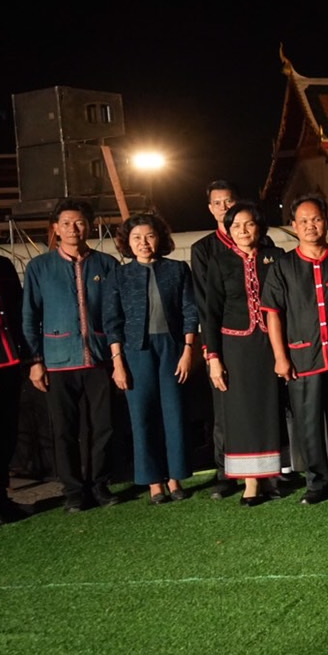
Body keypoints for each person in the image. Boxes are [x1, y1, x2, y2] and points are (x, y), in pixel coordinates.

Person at [23, 199, 120, 513]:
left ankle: (100, 484)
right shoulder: (39, 267)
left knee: (103, 425)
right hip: (58, 358)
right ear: (55, 228)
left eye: (79, 222)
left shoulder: (107, 265)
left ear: (89, 226)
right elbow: (30, 315)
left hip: (100, 357)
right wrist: (36, 360)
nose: (72, 229)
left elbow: (116, 313)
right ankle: (74, 491)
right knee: (64, 428)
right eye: (65, 223)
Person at [261, 195, 328, 505]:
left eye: (316, 219)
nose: (310, 226)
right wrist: (280, 356)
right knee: (307, 420)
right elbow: (273, 313)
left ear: (327, 222)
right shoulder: (284, 266)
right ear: (294, 226)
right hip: (302, 355)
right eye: (303, 221)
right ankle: (317, 481)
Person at [102, 213, 199, 504]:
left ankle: (175, 477)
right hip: (135, 351)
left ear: (159, 239)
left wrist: (187, 351)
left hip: (172, 349)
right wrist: (118, 362)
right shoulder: (119, 275)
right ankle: (154, 482)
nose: (143, 243)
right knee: (142, 416)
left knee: (174, 414)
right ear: (127, 242)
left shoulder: (178, 269)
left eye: (149, 236)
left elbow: (190, 312)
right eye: (136, 238)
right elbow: (112, 322)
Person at [200, 202, 285, 506]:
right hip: (235, 345)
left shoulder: (275, 257)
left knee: (270, 407)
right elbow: (209, 312)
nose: (242, 231)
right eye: (236, 226)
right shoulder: (219, 262)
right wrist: (213, 358)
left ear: (259, 227)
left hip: (271, 342)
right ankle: (251, 482)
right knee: (241, 411)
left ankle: (273, 475)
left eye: (248, 224)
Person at [188, 179, 244, 499]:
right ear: (210, 209)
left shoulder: (254, 239)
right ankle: (225, 472)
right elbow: (204, 304)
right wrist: (211, 353)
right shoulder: (204, 249)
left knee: (258, 405)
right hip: (220, 340)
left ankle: (267, 469)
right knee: (223, 411)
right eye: (218, 203)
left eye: (229, 201)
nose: (224, 207)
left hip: (255, 340)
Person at [0, 221, 32, 525]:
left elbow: (18, 313)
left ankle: (0, 498)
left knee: (5, 434)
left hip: (8, 362)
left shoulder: (2, 264)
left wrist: (28, 356)